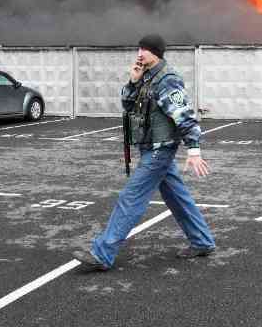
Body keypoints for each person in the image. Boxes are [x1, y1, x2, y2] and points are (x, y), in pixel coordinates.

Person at [72, 34, 215, 271]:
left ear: (156, 53)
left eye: (145, 50)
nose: (140, 53)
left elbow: (185, 116)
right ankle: (202, 241)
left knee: (131, 198)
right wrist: (133, 82)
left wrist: (194, 150)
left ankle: (102, 253)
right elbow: (128, 105)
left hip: (160, 151)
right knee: (177, 198)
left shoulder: (167, 80)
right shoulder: (146, 78)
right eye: (139, 48)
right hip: (151, 148)